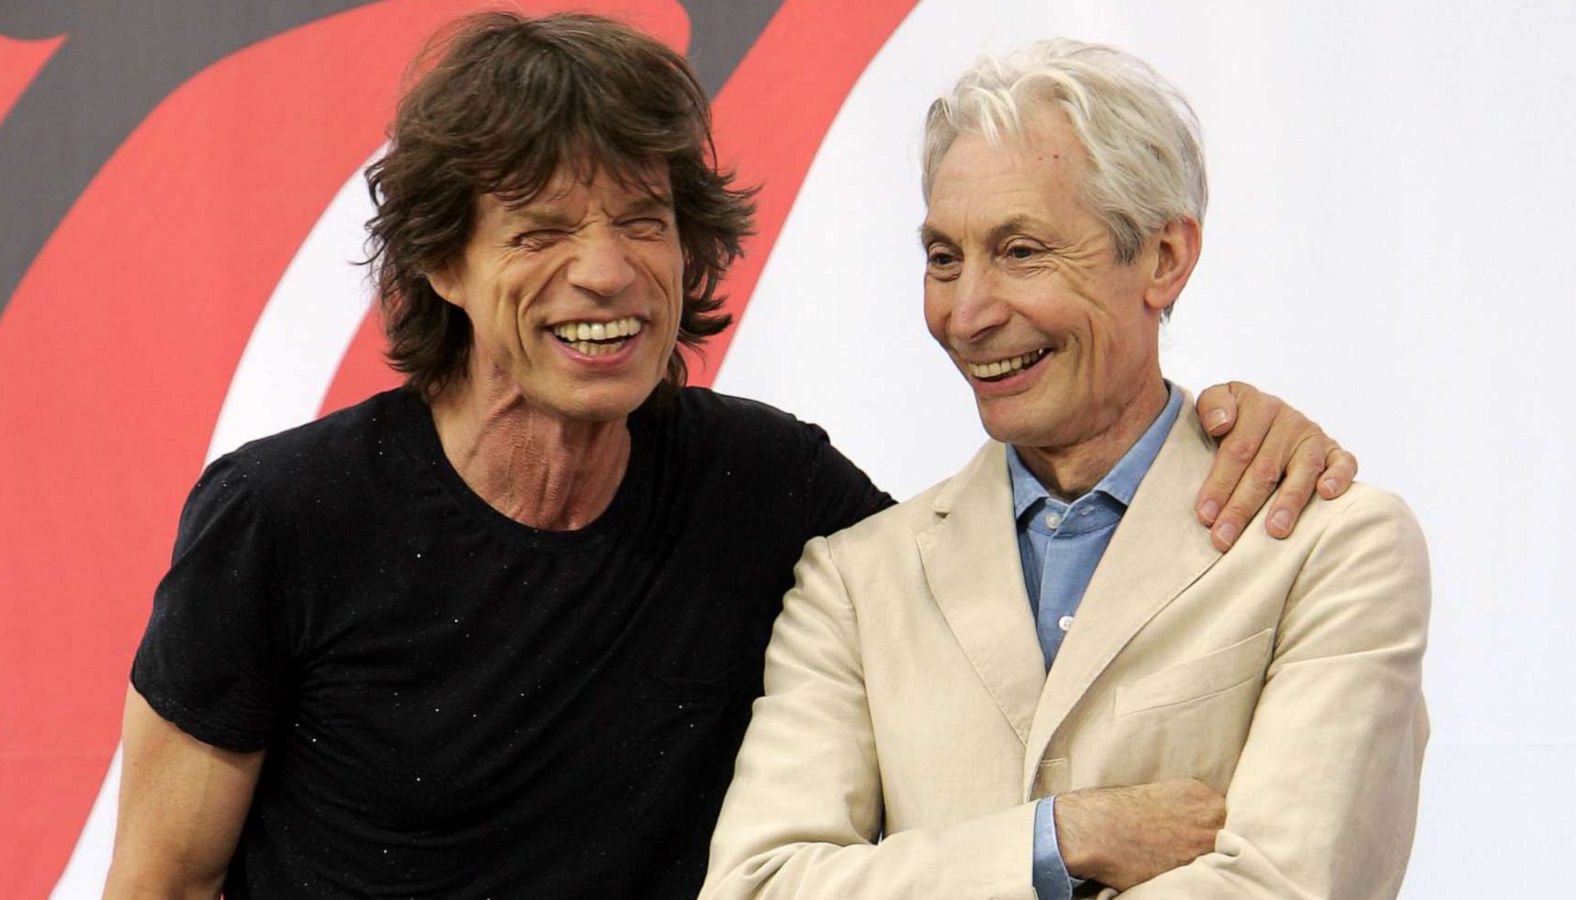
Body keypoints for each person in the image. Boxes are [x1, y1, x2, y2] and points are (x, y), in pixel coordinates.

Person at [104, 14, 1359, 899]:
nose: (605, 271)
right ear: (442, 263)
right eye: (540, 230)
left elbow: (1012, 550)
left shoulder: (769, 491)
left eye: (643, 221)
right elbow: (160, 884)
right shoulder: (283, 517)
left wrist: (1223, 427)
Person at [701, 38, 1429, 900]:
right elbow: (758, 887)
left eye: (1021, 251)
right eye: (943, 258)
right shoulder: (854, 582)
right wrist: (1060, 840)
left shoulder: (1334, 546)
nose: (967, 314)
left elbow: (1284, 887)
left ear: (1164, 259)